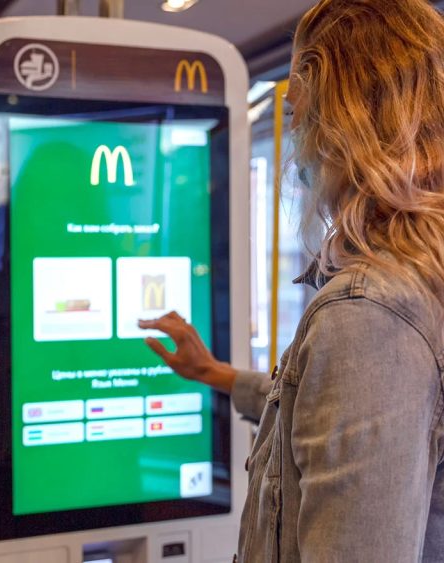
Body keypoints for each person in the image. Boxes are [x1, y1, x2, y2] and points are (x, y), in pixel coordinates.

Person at [140, 0, 444, 560]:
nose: (293, 131)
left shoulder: (368, 314)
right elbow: (324, 416)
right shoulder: (414, 282)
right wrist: (217, 374)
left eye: (297, 107)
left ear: (343, 117)